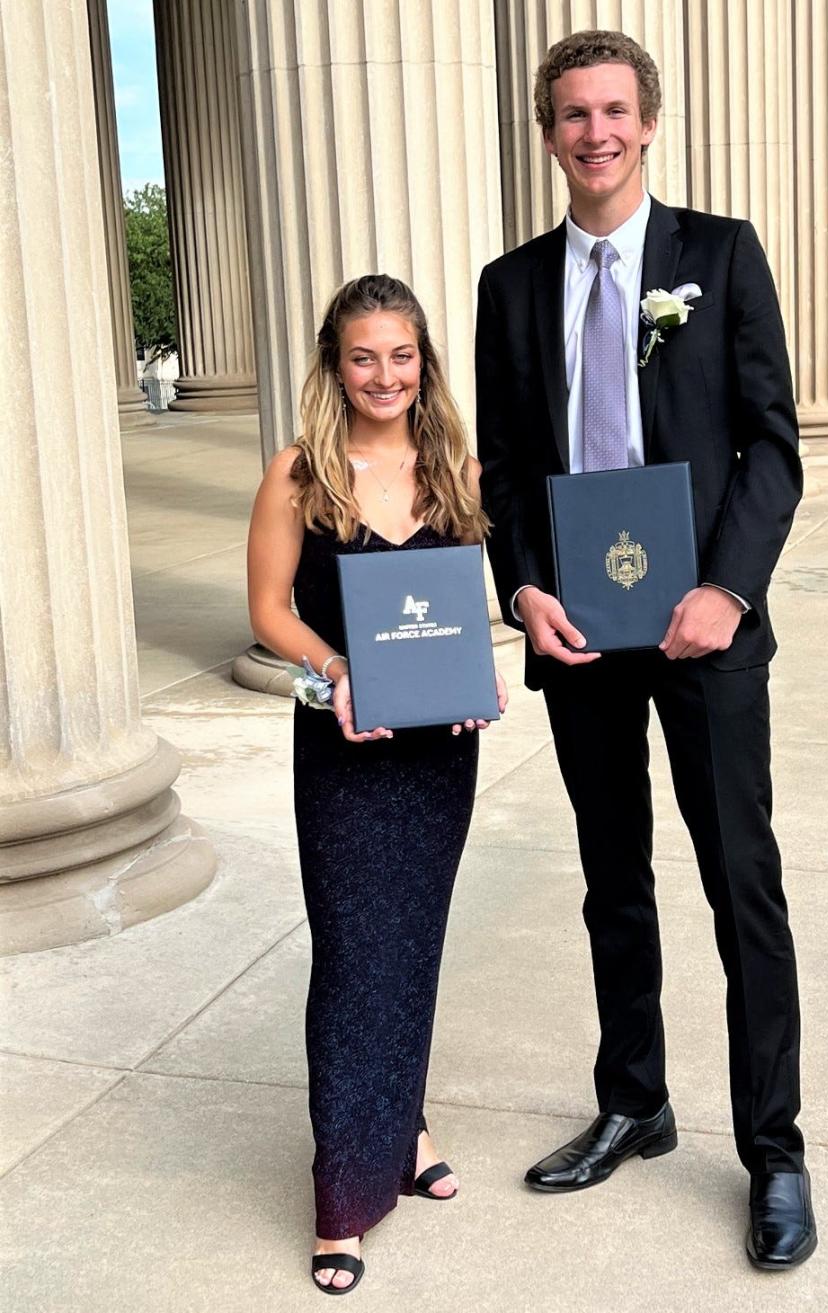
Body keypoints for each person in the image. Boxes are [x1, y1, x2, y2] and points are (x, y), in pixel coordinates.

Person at [476, 30, 815, 1270]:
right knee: (612, 878)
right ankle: (637, 1099)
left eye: (614, 110)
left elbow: (773, 443)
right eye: (572, 114)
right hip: (583, 635)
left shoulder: (718, 256)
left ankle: (775, 1150)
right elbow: (504, 467)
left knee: (741, 886)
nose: (595, 133)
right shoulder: (510, 286)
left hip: (703, 629)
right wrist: (521, 586)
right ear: (548, 132)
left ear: (649, 122)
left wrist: (727, 586)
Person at [247, 274, 506, 1294]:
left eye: (402, 355)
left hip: (439, 751)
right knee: (354, 956)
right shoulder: (301, 473)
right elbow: (270, 608)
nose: (384, 375)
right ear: (335, 363)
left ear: (424, 362)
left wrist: (472, 669)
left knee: (414, 943)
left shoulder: (457, 469)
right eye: (364, 356)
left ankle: (404, 1124)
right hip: (345, 748)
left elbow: (457, 608)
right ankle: (344, 1196)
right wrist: (337, 666)